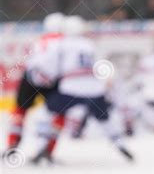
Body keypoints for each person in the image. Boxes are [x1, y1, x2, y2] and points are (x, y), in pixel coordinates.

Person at [32, 15, 133, 164]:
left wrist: (42, 78)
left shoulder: (62, 44)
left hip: (71, 88)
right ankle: (120, 144)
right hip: (94, 89)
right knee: (104, 119)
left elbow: (50, 67)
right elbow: (102, 66)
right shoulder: (90, 44)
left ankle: (42, 148)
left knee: (45, 114)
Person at [3, 12, 64, 156]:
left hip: (31, 78)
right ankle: (47, 149)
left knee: (19, 111)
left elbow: (32, 60)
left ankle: (12, 143)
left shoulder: (40, 40)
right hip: (53, 81)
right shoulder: (65, 41)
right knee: (59, 113)